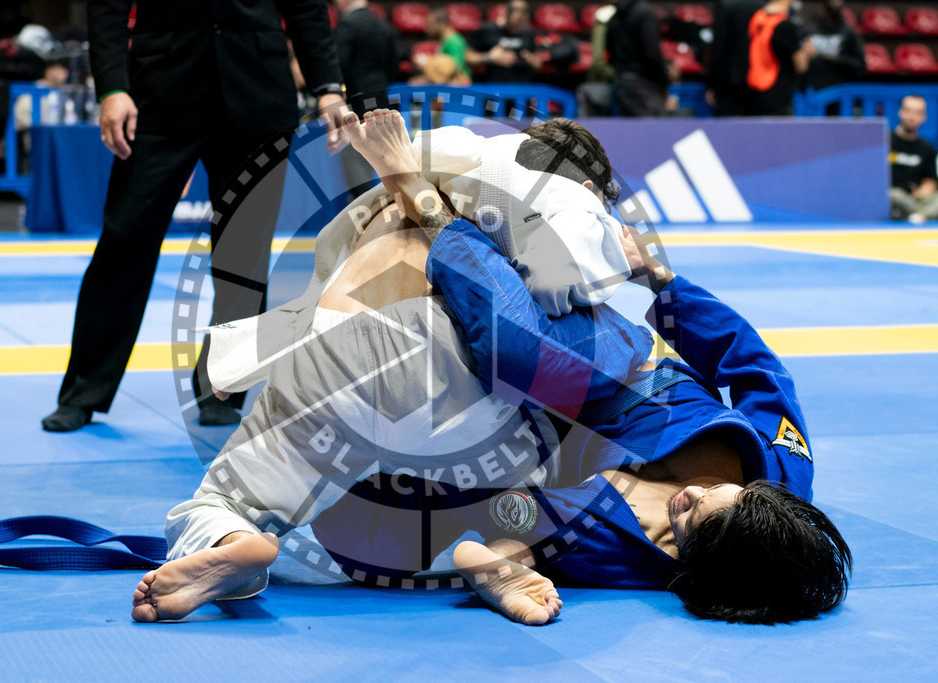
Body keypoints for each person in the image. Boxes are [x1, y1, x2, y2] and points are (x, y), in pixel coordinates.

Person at [313, 111, 851, 626]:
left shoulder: (629, 555)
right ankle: (422, 197)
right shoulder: (784, 470)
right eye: (716, 497)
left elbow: (518, 513)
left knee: (367, 543)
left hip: (536, 426)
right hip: (625, 372)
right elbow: (754, 366)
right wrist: (661, 281)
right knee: (523, 357)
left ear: (690, 569)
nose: (692, 500)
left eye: (687, 525)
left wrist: (506, 563)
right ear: (766, 499)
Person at [127, 114, 649, 623]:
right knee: (558, 471)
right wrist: (638, 273)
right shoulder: (558, 199)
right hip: (453, 377)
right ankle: (505, 552)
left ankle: (234, 541)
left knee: (225, 500)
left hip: (331, 359)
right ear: (587, 184)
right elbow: (544, 306)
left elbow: (316, 303)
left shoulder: (446, 159)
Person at [41, 0, 349, 432]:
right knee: (123, 240)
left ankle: (221, 386)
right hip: (160, 91)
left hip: (256, 91)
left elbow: (305, 6)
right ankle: (83, 391)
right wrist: (112, 86)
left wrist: (328, 85)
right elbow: (107, 8)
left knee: (244, 254)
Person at [333, 0, 399, 200]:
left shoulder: (347, 26)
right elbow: (393, 66)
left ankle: (363, 206)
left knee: (355, 155)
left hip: (355, 100)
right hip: (381, 98)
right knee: (383, 157)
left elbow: (338, 65)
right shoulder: (384, 25)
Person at [744, 0, 815, 116]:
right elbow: (801, 65)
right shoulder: (785, 27)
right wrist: (808, 52)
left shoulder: (757, 19)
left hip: (755, 87)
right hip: (778, 93)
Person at [605, 0, 670, 116]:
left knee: (632, 129)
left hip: (622, 80)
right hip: (645, 83)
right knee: (653, 129)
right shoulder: (646, 13)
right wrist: (664, 80)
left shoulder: (615, 15)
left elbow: (609, 50)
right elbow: (652, 52)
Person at [706, 0, 764, 116]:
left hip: (730, 82)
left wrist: (712, 84)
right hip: (761, 81)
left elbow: (718, 47)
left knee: (728, 131)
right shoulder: (766, 5)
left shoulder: (725, 5)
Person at [466, 0, 543, 82]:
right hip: (495, 85)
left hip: (522, 86)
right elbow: (468, 57)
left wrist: (530, 59)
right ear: (507, 14)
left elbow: (538, 65)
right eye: (516, 22)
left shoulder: (528, 33)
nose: (517, 29)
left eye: (522, 23)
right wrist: (489, 57)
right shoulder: (488, 30)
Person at [889, 95, 938, 224]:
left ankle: (920, 215)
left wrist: (923, 191)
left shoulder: (927, 147)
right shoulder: (885, 141)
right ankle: (923, 215)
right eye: (908, 111)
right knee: (893, 195)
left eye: (918, 113)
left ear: (924, 117)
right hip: (893, 195)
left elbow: (930, 180)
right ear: (900, 112)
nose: (912, 117)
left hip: (917, 198)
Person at [803, 0, 865, 94]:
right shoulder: (810, 32)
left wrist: (837, 59)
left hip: (840, 90)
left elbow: (860, 65)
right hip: (814, 89)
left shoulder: (848, 34)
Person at [417, 8, 471, 84]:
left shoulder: (454, 41)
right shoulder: (445, 41)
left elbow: (454, 69)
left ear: (441, 25)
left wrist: (427, 63)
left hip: (458, 88)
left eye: (430, 24)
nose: (426, 28)